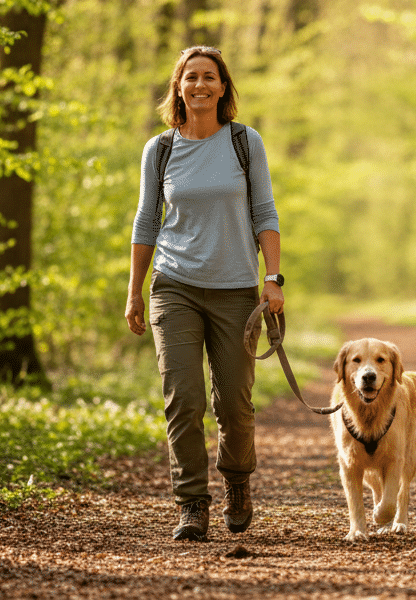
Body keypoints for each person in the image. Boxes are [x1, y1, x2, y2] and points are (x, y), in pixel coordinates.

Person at [125, 45, 284, 541]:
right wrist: (134, 292)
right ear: (178, 87)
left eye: (209, 77)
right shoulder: (161, 149)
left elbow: (265, 211)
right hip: (173, 288)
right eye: (190, 77)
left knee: (234, 403)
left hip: (237, 289)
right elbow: (147, 220)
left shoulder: (244, 141)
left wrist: (273, 278)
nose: (199, 85)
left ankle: (237, 483)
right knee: (184, 399)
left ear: (223, 86)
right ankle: (192, 503)